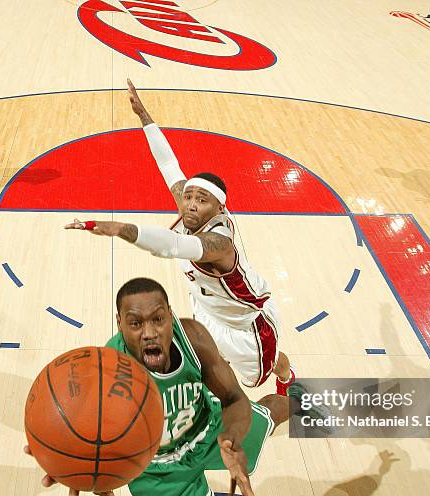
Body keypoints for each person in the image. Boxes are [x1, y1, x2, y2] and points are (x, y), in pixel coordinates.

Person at [25, 277, 300, 496]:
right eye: (135, 323)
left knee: (273, 412)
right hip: (155, 467)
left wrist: (231, 438)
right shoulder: (105, 371)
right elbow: (87, 434)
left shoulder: (193, 338)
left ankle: (296, 390)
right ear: (120, 325)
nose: (149, 332)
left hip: (207, 429)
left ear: (170, 315)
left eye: (158, 319)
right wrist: (71, 461)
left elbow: (232, 398)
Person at [64, 79, 296, 396]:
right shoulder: (191, 207)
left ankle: (286, 377)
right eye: (188, 196)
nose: (190, 204)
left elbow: (175, 245)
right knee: (210, 364)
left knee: (263, 372)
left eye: (201, 200)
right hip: (206, 308)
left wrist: (121, 229)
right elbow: (169, 164)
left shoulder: (219, 244)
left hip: (245, 324)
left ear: (219, 208)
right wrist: (145, 117)